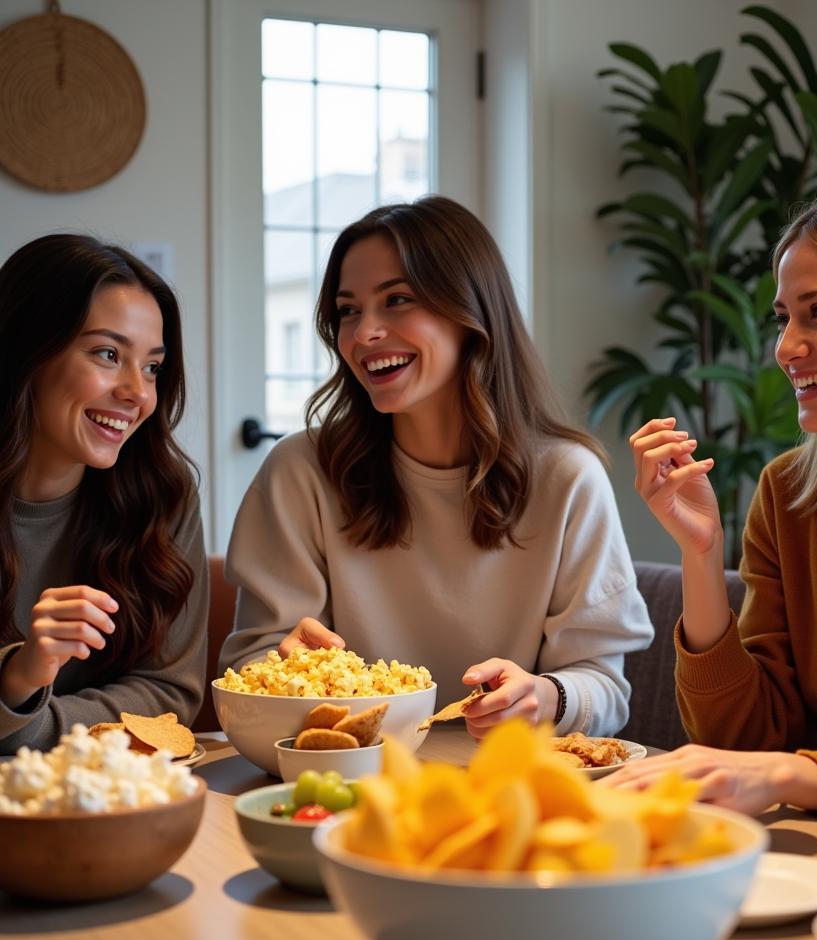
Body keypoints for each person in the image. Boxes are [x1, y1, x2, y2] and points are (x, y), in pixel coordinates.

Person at [220, 196, 652, 738]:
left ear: (471, 313)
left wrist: (545, 696)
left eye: (396, 299)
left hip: (502, 790)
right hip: (350, 786)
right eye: (348, 310)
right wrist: (279, 673)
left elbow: (604, 689)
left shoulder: (568, 478)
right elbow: (248, 668)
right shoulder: (299, 471)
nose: (363, 334)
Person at [611, 185, 817, 816]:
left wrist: (802, 778)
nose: (786, 347)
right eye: (783, 317)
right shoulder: (791, 492)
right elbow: (741, 742)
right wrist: (702, 555)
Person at [0, 235, 208, 752]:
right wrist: (17, 677)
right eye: (108, 354)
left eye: (152, 367)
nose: (137, 393)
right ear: (27, 352)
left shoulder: (164, 498)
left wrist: (28, 721)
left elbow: (168, 694)